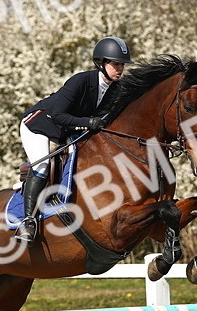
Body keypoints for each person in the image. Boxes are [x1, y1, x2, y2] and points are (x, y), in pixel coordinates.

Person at [15, 36, 133, 242]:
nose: (120, 69)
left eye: (122, 64)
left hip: (66, 130)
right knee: (42, 165)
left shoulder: (115, 89)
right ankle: (28, 221)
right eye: (116, 64)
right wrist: (89, 122)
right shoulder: (81, 81)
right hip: (39, 125)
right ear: (101, 63)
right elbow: (58, 115)